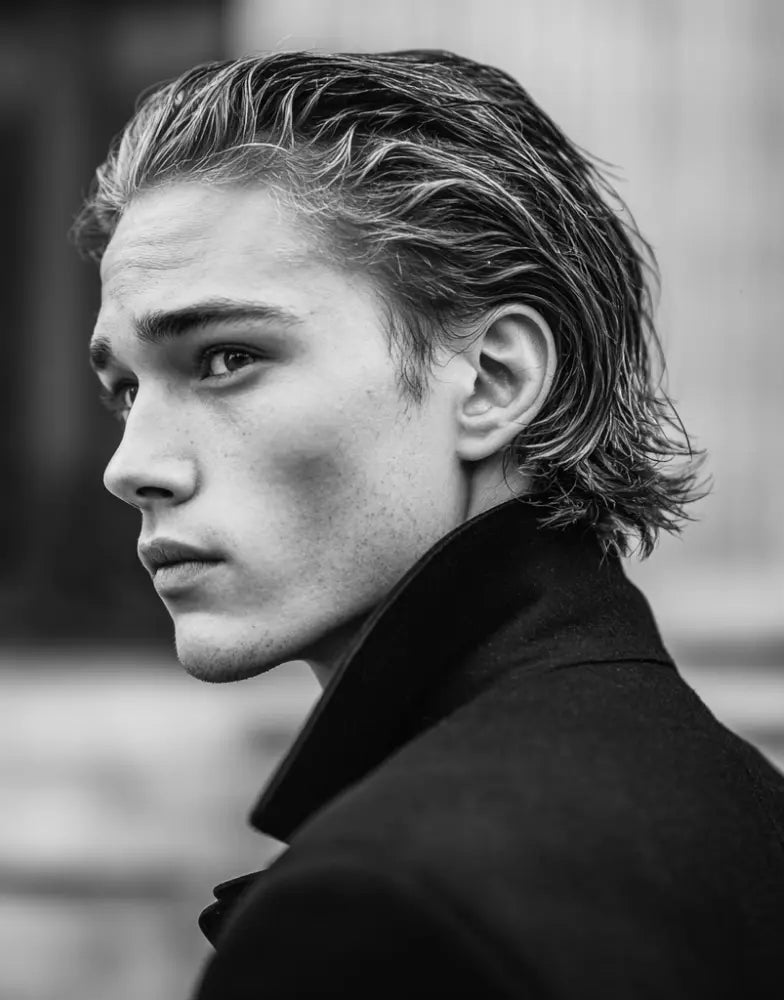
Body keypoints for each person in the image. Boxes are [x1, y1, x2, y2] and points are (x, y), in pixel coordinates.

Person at [75, 50, 784, 999]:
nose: (131, 468)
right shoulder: (736, 797)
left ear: (493, 381)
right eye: (124, 389)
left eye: (225, 359)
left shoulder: (380, 915)